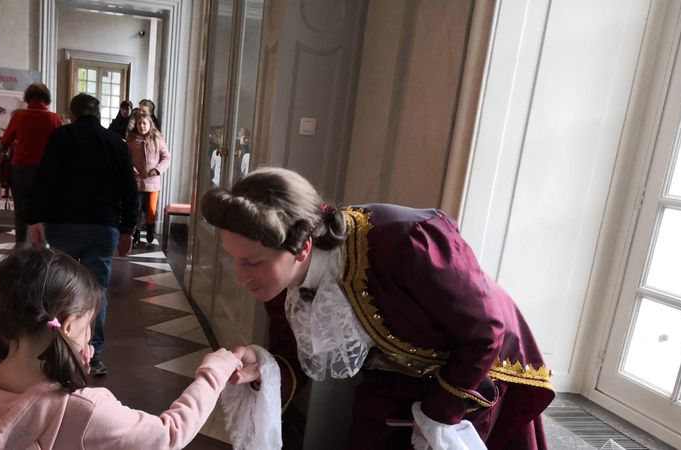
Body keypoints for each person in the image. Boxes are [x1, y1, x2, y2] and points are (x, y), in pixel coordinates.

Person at [202, 167, 556, 449]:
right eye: (234, 260)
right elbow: (293, 356)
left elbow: (484, 332)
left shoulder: (406, 239)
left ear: (303, 246)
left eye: (252, 262)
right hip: (396, 374)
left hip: (475, 370)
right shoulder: (284, 287)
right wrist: (261, 367)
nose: (240, 277)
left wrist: (437, 412)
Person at [0, 247, 243, 449]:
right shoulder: (84, 408)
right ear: (67, 326)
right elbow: (168, 436)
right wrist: (215, 370)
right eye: (89, 326)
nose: (90, 338)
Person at [28, 93, 139, 376]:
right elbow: (130, 190)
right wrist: (128, 229)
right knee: (96, 289)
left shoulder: (60, 138)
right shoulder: (116, 143)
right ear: (99, 114)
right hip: (103, 226)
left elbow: (43, 180)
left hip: (63, 224)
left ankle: (61, 349)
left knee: (62, 286)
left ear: (72, 114)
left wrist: (36, 220)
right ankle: (93, 353)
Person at [0, 82, 62, 245]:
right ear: (46, 98)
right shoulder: (54, 118)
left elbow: (5, 142)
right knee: (43, 211)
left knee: (21, 212)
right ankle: (41, 248)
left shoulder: (19, 115)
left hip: (20, 169)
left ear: (28, 97)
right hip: (46, 171)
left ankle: (21, 247)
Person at [127, 112, 170, 247]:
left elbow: (166, 157)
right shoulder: (132, 139)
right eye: (139, 123)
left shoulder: (157, 139)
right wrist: (131, 168)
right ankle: (137, 234)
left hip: (153, 180)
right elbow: (125, 156)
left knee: (151, 208)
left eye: (144, 123)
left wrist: (157, 169)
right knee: (137, 207)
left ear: (149, 124)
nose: (141, 126)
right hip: (137, 179)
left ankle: (150, 228)